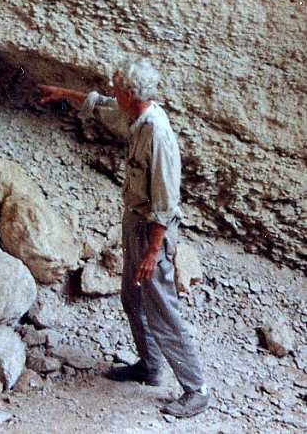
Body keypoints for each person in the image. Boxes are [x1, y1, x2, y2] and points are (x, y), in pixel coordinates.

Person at [39, 57, 209, 419]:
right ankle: (149, 367)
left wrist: (152, 252)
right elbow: (100, 105)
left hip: (152, 231)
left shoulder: (157, 134)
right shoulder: (136, 116)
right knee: (132, 298)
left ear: (131, 95)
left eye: (118, 90)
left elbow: (165, 203)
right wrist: (64, 93)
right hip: (134, 223)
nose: (113, 94)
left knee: (162, 308)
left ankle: (196, 389)